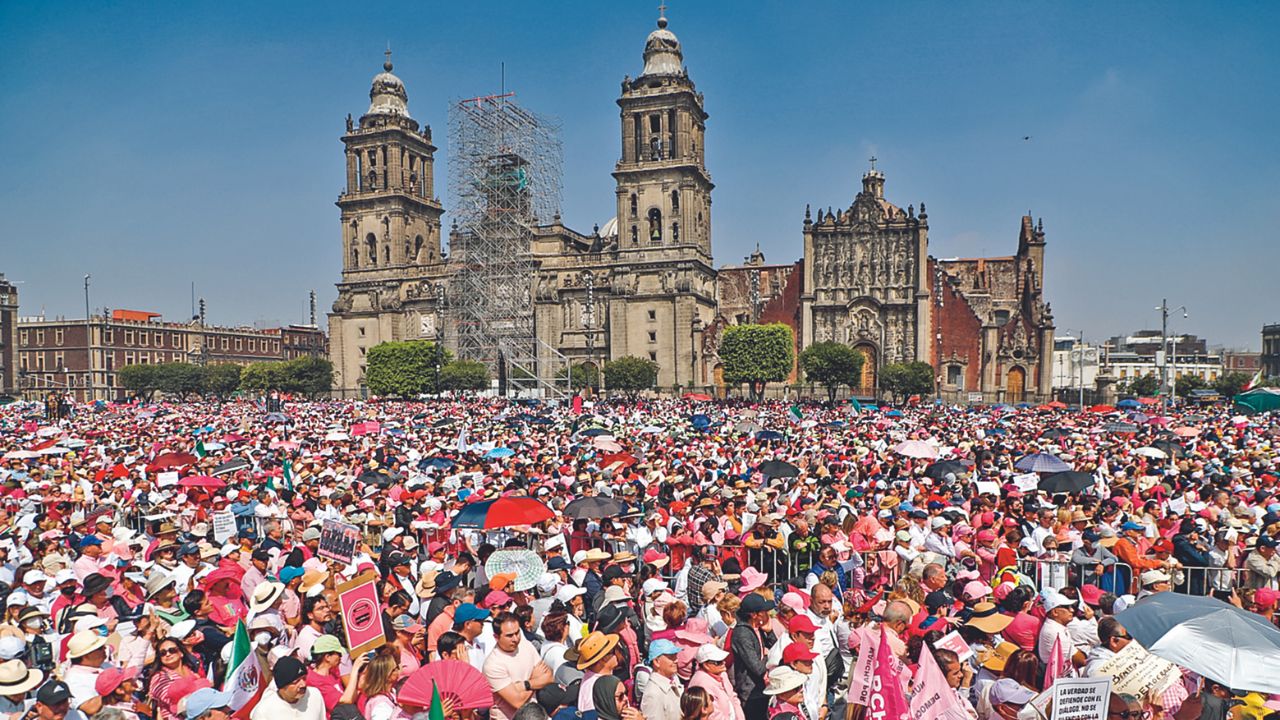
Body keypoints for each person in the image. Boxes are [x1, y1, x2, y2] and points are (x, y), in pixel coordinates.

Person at [485, 612, 555, 720]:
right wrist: (533, 681)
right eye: (509, 635)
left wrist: (521, 686)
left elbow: (549, 676)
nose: (515, 639)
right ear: (496, 637)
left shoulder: (526, 645)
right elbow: (518, 702)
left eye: (517, 633)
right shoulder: (493, 664)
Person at [731, 593, 776, 720]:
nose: (768, 614)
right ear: (754, 614)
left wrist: (770, 632)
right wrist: (768, 657)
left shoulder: (758, 628)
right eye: (764, 611)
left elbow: (777, 649)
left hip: (763, 689)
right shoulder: (742, 633)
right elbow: (757, 667)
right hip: (751, 693)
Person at [250, 656, 325, 720]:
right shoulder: (263, 711)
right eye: (296, 681)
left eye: (304, 678)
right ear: (282, 686)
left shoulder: (315, 695)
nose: (303, 684)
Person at [688, 645, 746, 720]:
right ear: (706, 665)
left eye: (723, 660)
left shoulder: (722, 674)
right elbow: (712, 714)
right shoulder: (702, 683)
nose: (723, 663)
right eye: (718, 662)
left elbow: (733, 697)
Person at [641, 639, 683, 720]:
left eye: (676, 656)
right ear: (656, 662)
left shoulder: (674, 678)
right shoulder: (653, 694)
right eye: (671, 657)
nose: (676, 660)